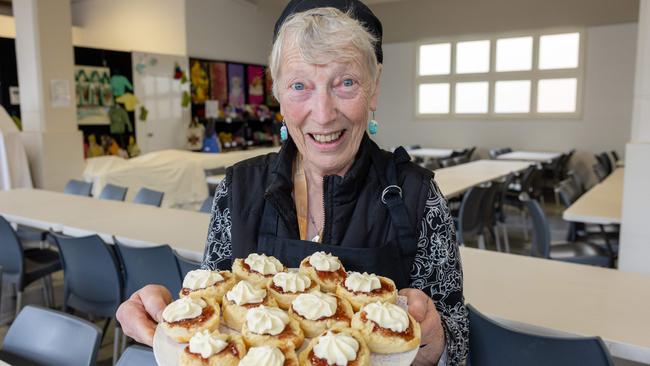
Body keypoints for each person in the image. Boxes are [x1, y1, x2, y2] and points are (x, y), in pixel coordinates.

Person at [116, 0, 468, 364]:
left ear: (374, 88)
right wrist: (166, 309)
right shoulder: (238, 189)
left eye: (346, 82)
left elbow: (459, 338)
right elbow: (214, 314)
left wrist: (435, 339)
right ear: (278, 93)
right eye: (300, 85)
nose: (324, 113)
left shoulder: (416, 195)